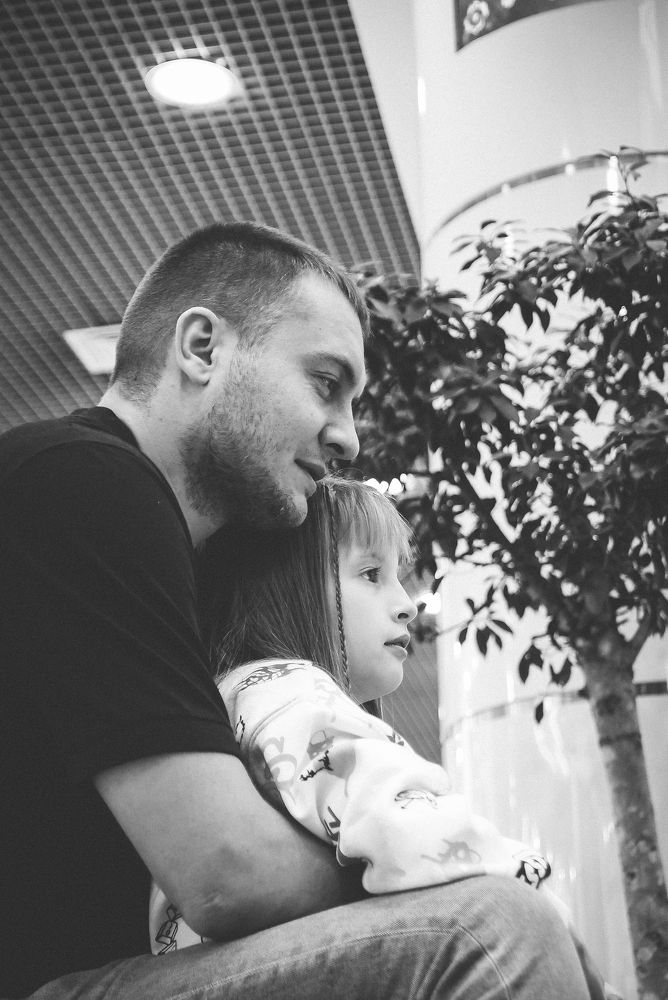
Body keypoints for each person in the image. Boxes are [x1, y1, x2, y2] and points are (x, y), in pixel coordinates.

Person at [1, 220, 595, 1000]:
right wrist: (426, 869)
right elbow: (227, 873)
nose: (349, 439)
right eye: (324, 382)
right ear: (202, 348)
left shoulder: (174, 549)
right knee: (494, 928)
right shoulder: (85, 484)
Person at [150, 475, 560, 951]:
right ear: (288, 587)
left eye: (399, 578)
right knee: (515, 917)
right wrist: (542, 900)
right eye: (371, 574)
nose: (407, 606)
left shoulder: (239, 699)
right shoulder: (289, 691)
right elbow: (405, 826)